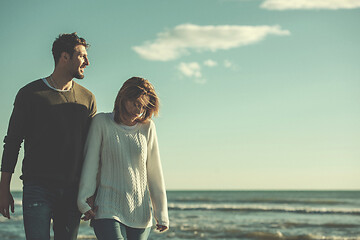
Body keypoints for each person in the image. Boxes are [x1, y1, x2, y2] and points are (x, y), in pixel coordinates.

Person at [0, 33, 97, 240]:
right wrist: (3, 188)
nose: (87, 62)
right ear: (65, 57)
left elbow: (93, 150)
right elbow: (12, 142)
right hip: (38, 188)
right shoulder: (29, 94)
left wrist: (92, 191)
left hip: (73, 191)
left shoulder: (87, 99)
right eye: (81, 56)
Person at [77, 77, 169, 240]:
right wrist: (83, 199)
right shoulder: (101, 122)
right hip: (107, 208)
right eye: (135, 103)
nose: (139, 110)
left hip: (140, 214)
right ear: (123, 97)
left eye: (143, 106)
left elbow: (154, 172)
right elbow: (90, 163)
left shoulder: (147, 128)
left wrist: (161, 214)